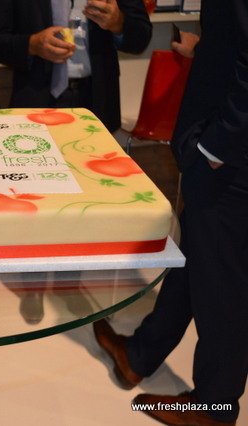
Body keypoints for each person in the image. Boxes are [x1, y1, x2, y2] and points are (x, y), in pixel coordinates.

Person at [92, 1, 248, 425]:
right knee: (197, 254)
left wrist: (214, 147)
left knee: (223, 287)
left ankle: (214, 409)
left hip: (229, 154)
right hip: (222, 146)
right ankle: (140, 354)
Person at [0, 0, 151, 132]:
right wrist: (31, 45)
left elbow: (142, 37)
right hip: (35, 96)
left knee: (93, 162)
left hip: (97, 98)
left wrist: (118, 23)